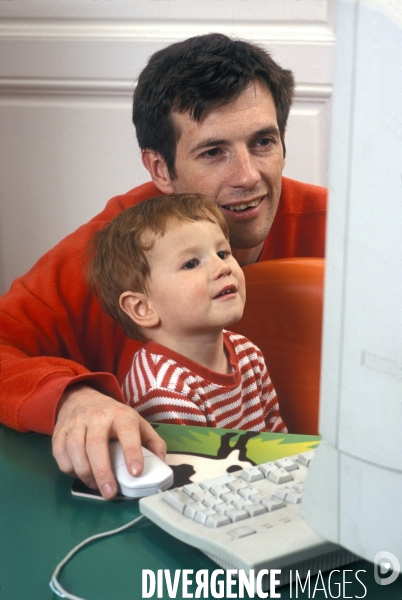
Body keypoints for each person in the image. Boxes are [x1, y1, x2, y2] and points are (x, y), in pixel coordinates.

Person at [0, 33, 326, 499]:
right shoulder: (112, 252)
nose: (248, 177)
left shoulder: (354, 233)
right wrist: (70, 396)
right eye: (213, 152)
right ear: (160, 169)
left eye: (263, 142)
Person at [87, 193, 287, 433]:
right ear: (143, 308)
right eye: (191, 263)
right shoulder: (161, 390)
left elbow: (276, 437)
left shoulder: (247, 353)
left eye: (223, 253)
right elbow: (194, 468)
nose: (223, 267)